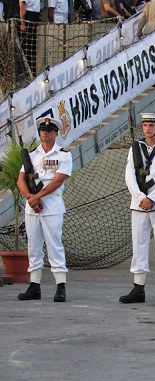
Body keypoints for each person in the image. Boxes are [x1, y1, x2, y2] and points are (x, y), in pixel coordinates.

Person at [120, 113, 155, 306]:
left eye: (152, 125)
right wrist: (140, 197)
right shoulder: (135, 148)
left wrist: (152, 198)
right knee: (139, 244)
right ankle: (138, 287)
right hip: (139, 204)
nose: (148, 128)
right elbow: (129, 175)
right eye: (145, 125)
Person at [16, 117, 72, 303]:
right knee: (34, 246)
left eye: (49, 130)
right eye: (42, 130)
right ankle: (34, 285)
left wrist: (37, 197)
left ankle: (61, 286)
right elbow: (20, 180)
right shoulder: (32, 156)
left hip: (52, 206)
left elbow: (58, 181)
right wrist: (30, 198)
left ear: (56, 133)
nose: (45, 133)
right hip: (32, 207)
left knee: (54, 245)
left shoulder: (63, 155)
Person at [19, 0, 41, 73]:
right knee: (27, 45)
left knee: (33, 45)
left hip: (35, 17)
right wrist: (22, 23)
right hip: (29, 16)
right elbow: (23, 5)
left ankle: (30, 67)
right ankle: (24, 69)